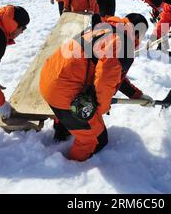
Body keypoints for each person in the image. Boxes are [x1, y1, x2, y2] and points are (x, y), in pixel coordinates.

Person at [39, 13, 154, 161]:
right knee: (96, 140)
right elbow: (105, 82)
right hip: (63, 93)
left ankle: (62, 128)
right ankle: (70, 170)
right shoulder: (122, 43)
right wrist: (98, 110)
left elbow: (113, 74)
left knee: (80, 105)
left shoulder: (101, 29)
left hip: (48, 81)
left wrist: (135, 94)